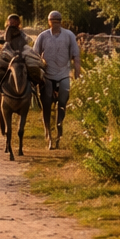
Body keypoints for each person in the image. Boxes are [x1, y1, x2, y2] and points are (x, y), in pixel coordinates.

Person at [35, 10, 82, 148]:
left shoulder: (69, 35)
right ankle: (48, 133)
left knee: (62, 104)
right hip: (48, 75)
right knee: (47, 105)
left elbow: (76, 56)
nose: (55, 23)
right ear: (48, 22)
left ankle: (59, 132)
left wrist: (77, 74)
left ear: (61, 22)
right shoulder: (42, 36)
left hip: (63, 74)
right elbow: (35, 56)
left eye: (57, 21)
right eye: (52, 21)